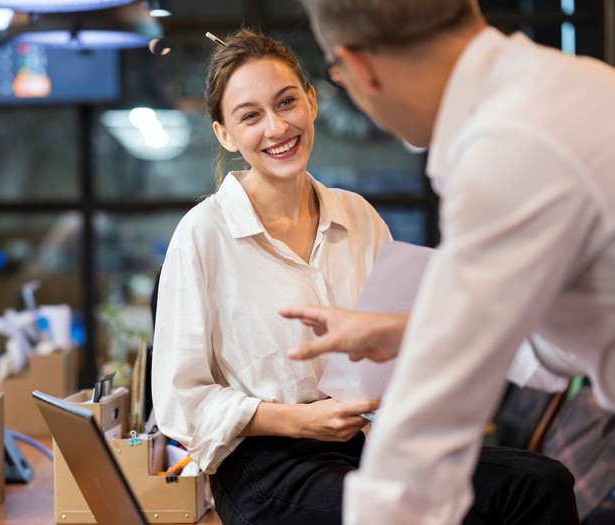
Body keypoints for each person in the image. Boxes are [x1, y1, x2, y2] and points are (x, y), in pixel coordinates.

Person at [151, 28, 577, 525]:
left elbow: (396, 342)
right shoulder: (202, 235)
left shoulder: (356, 215)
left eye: (287, 102)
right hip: (265, 461)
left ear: (311, 102)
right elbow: (183, 399)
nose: (276, 127)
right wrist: (301, 420)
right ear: (225, 133)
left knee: (540, 484)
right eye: (250, 116)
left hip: (367, 438)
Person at [280, 0, 615, 523]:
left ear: (359, 68)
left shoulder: (507, 147)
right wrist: (412, 331)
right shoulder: (574, 86)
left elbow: (427, 438)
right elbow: (546, 333)